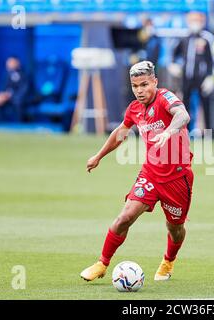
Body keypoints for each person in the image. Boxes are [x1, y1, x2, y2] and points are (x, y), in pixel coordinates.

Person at [80, 61, 193, 282]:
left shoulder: (165, 97)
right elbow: (120, 133)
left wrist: (169, 132)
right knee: (124, 217)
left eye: (144, 84)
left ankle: (168, 261)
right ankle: (102, 264)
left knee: (175, 227)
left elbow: (183, 115)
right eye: (135, 86)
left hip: (177, 178)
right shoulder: (134, 109)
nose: (140, 90)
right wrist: (98, 156)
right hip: (150, 175)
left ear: (155, 82)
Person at [169, 11, 214, 130]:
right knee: (185, 105)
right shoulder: (184, 37)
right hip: (187, 76)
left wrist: (211, 76)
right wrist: (173, 64)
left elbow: (213, 58)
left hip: (202, 77)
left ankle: (208, 131)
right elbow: (174, 53)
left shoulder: (207, 37)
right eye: (192, 20)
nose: (195, 23)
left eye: (198, 20)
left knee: (206, 105)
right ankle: (186, 131)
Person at [0, 56, 29, 122]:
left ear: (17, 62)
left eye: (11, 62)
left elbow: (24, 90)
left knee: (18, 102)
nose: (9, 64)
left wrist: (10, 95)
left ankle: (19, 126)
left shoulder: (24, 74)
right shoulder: (7, 74)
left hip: (21, 99)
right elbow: (4, 88)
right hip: (9, 98)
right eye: (8, 62)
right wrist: (2, 95)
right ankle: (0, 125)